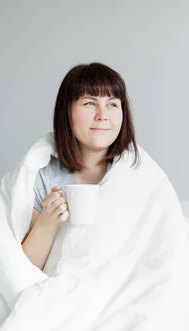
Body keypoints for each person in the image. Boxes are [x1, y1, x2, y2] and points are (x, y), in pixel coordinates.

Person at [21, 62, 139, 270]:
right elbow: (23, 269)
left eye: (112, 104)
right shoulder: (46, 177)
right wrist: (47, 221)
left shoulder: (135, 172)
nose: (102, 114)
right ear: (67, 112)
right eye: (90, 103)